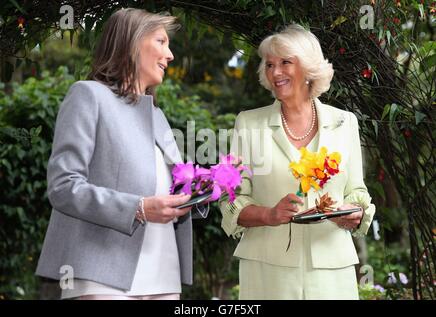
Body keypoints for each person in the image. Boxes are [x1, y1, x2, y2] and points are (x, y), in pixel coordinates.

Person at [35, 8, 208, 300]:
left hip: (164, 276)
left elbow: (170, 190)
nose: (170, 55)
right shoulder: (88, 95)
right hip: (100, 274)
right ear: (132, 42)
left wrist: (209, 184)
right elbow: (63, 187)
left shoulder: (158, 116)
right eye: (161, 42)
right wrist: (138, 208)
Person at [219, 24, 375, 300]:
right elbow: (230, 199)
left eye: (285, 62)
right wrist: (269, 215)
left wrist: (354, 212)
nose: (275, 72)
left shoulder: (345, 122)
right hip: (267, 272)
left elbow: (357, 192)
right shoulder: (248, 123)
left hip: (331, 271)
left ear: (308, 68)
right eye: (269, 64)